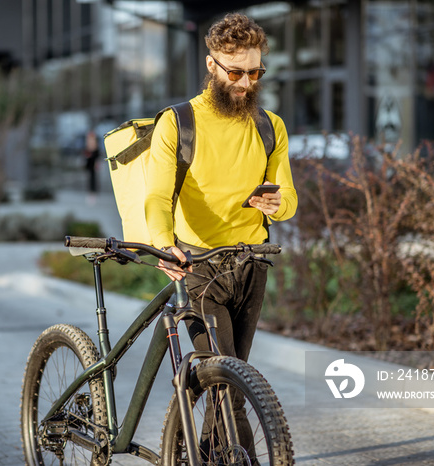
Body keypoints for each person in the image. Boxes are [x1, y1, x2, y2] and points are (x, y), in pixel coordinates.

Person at [144, 12, 297, 460]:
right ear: (211, 65)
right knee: (230, 381)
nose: (246, 82)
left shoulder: (271, 126)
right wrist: (162, 241)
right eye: (235, 71)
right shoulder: (178, 122)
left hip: (251, 264)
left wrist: (276, 204)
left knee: (231, 377)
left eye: (255, 72)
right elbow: (156, 195)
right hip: (197, 267)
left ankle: (206, 456)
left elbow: (288, 196)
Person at [84, 128, 100, 196]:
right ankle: (91, 189)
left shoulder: (94, 144)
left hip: (93, 161)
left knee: (93, 176)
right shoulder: (88, 144)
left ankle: (94, 189)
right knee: (90, 176)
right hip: (89, 161)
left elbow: (96, 154)